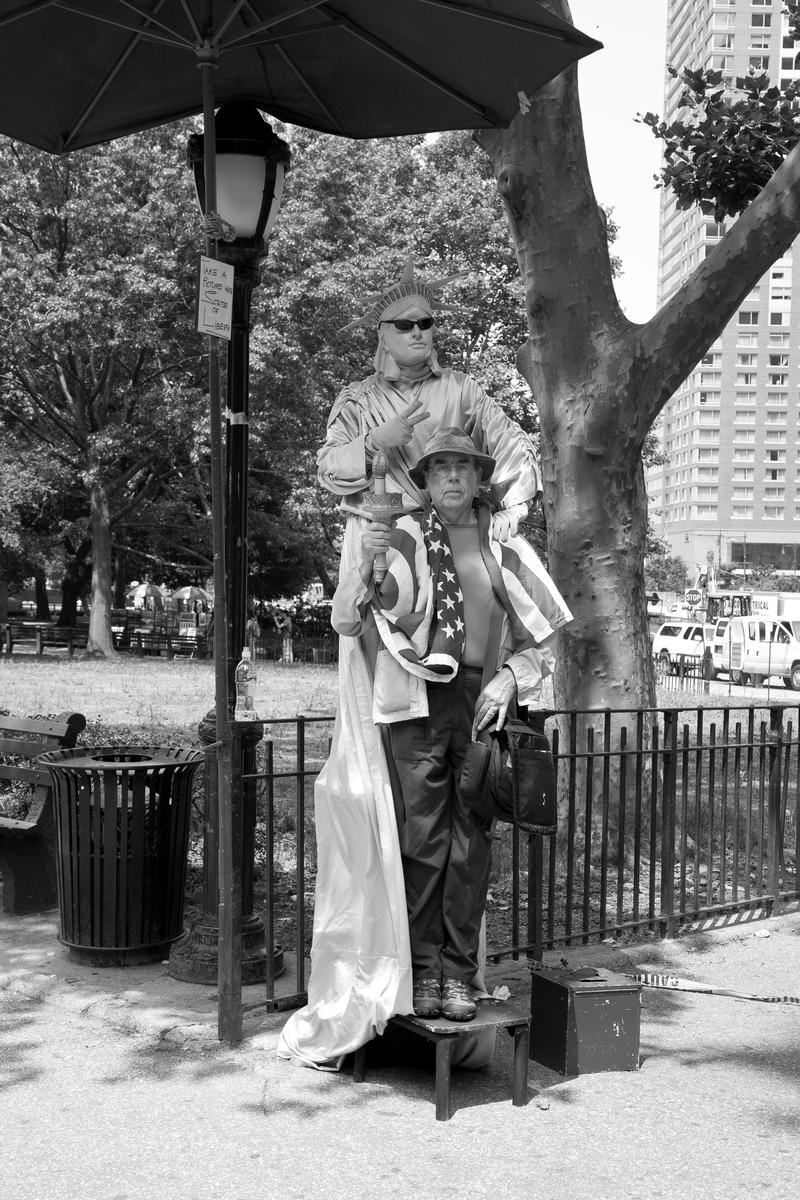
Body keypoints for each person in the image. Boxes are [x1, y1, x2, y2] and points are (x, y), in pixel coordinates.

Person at [278, 262, 548, 1066]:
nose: (423, 334)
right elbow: (331, 469)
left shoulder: (463, 395)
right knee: (389, 802)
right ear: (381, 334)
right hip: (384, 570)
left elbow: (512, 443)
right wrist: (377, 448)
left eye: (431, 323)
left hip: (459, 617)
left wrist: (517, 494)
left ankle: (442, 970)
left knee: (459, 826)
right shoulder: (357, 400)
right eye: (406, 324)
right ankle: (393, 965)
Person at [330, 428, 571, 1021]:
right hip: (418, 701)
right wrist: (370, 562)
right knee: (422, 841)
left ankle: (460, 976)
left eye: (463, 468)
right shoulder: (406, 534)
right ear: (427, 481)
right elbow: (371, 611)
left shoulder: (502, 539)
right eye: (440, 470)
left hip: (481, 705)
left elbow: (539, 632)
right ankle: (421, 971)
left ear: (478, 477)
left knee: (471, 844)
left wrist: (509, 677)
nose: (453, 479)